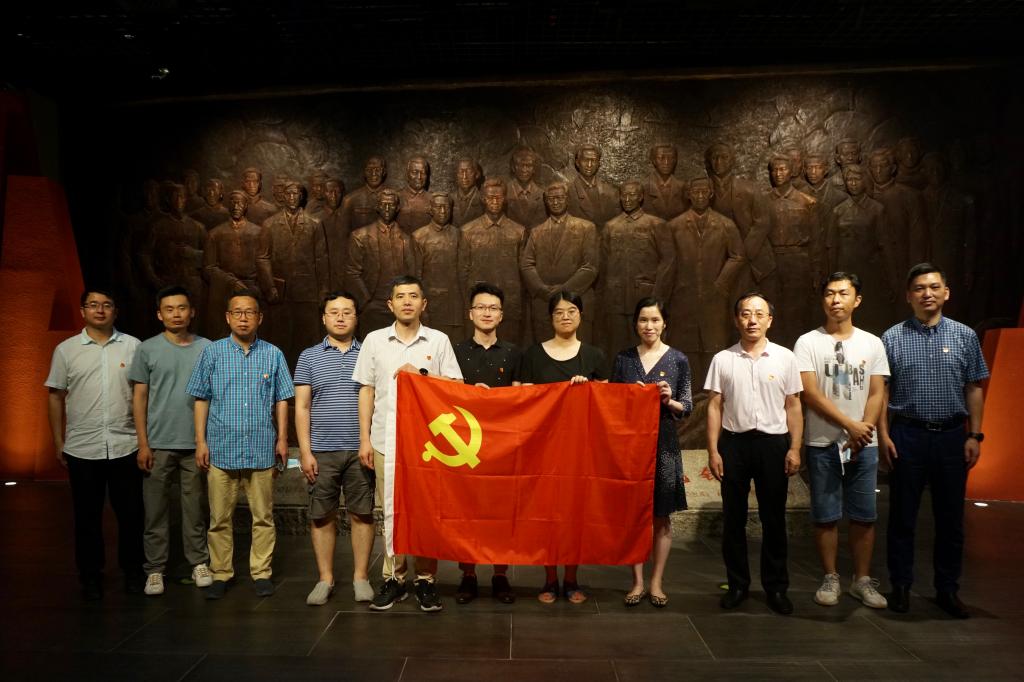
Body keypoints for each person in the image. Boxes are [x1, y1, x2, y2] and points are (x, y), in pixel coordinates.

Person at [879, 263, 988, 619]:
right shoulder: (892, 338)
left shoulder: (964, 335)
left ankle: (947, 589)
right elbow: (881, 392)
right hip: (907, 434)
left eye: (934, 287)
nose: (927, 293)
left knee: (951, 518)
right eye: (919, 288)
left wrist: (974, 434)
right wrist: (883, 434)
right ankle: (900, 586)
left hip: (952, 437)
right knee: (902, 517)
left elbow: (974, 387)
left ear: (946, 292)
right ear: (909, 296)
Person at [352, 275, 463, 612]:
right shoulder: (374, 341)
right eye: (400, 296)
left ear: (423, 304)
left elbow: (456, 386)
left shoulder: (438, 340)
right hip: (385, 440)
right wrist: (364, 439)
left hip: (428, 445)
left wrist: (422, 376)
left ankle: (426, 579)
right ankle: (394, 578)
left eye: (413, 296)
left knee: (426, 512)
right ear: (391, 304)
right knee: (390, 510)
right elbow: (366, 390)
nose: (407, 302)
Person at [186, 291, 294, 599]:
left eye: (249, 312)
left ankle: (262, 573)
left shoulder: (273, 354)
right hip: (221, 448)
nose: (243, 318)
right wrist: (200, 442)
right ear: (228, 317)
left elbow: (282, 399)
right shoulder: (212, 353)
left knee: (263, 517)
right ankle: (221, 573)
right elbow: (201, 398)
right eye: (237, 312)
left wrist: (282, 439)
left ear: (260, 318)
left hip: (261, 448)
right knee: (219, 518)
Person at [793, 273, 889, 609]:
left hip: (864, 443)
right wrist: (850, 425)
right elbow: (810, 393)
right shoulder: (808, 342)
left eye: (843, 293)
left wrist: (865, 429)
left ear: (856, 300)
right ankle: (830, 576)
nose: (836, 300)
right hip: (823, 441)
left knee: (864, 515)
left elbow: (877, 392)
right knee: (826, 514)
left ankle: (861, 580)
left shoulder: (872, 343)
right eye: (830, 294)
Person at [705, 292, 802, 615]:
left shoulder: (785, 358)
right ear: (737, 320)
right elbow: (714, 406)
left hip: (773, 444)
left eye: (759, 314)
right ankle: (737, 585)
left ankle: (776, 588)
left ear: (769, 320)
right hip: (734, 444)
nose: (752, 320)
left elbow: (793, 405)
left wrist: (795, 447)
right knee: (733, 519)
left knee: (774, 519)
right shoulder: (723, 359)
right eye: (746, 314)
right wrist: (713, 450)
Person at [46, 289, 144, 600]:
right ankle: (90, 576)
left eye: (106, 305)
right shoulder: (66, 350)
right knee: (86, 517)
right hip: (82, 447)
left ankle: (133, 572)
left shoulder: (133, 346)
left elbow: (143, 395)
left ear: (115, 311)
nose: (100, 310)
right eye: (93, 305)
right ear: (83, 311)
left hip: (125, 444)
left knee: (131, 515)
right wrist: (58, 440)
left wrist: (145, 441)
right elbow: (55, 396)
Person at [518, 290, 609, 604]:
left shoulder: (594, 356)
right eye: (558, 312)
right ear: (551, 318)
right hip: (542, 448)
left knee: (574, 515)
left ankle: (571, 579)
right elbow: (522, 398)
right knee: (546, 515)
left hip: (579, 449)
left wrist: (589, 390)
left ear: (580, 315)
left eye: (571, 311)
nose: (565, 317)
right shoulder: (533, 355)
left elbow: (606, 403)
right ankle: (548, 580)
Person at [295, 291, 376, 606]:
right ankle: (325, 579)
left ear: (356, 317)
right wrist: (305, 452)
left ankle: (361, 578)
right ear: (324, 317)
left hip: (361, 450)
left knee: (362, 514)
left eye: (347, 312)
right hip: (322, 450)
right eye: (334, 312)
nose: (340, 317)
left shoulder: (369, 353)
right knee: (321, 516)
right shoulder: (309, 356)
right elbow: (302, 407)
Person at [130, 286, 213, 596]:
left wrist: (206, 440)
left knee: (194, 509)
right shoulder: (147, 349)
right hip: (158, 443)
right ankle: (155, 569)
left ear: (192, 312)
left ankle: (199, 562)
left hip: (195, 444)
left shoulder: (207, 348)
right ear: (159, 314)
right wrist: (143, 443)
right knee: (155, 510)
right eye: (169, 309)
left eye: (182, 308)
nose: (176, 314)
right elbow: (139, 398)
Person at [611, 297, 692, 608]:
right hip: (631, 445)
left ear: (664, 323)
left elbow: (687, 406)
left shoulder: (678, 359)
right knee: (634, 515)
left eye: (655, 320)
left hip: (664, 444)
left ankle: (657, 581)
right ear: (636, 323)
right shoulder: (623, 359)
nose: (649, 326)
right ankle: (637, 581)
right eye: (643, 320)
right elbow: (612, 403)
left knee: (662, 515)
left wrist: (670, 400)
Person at [451, 283, 522, 605]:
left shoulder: (513, 352)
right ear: (470, 313)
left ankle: (500, 574)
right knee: (466, 511)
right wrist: (470, 395)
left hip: (502, 443)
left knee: (500, 512)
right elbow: (447, 393)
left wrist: (495, 399)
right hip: (465, 443)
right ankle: (467, 574)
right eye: (481, 307)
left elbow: (520, 397)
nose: (487, 313)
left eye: (493, 308)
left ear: (501, 315)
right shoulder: (455, 352)